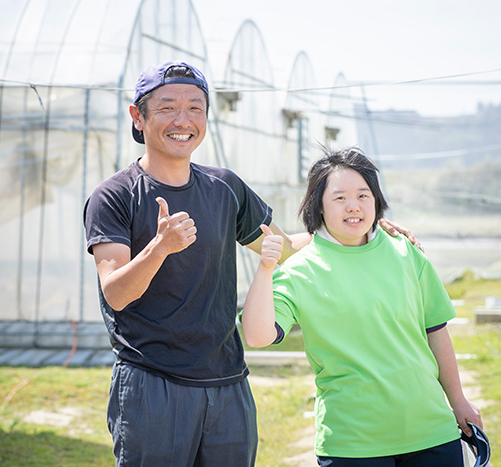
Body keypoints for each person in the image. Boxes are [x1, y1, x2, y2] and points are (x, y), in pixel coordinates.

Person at [83, 61, 419, 466]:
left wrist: (359, 225)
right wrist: (160, 247)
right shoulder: (115, 196)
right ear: (138, 116)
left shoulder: (225, 186)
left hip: (227, 383)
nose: (183, 120)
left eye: (195, 108)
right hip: (153, 383)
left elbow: (280, 245)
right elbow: (116, 294)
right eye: (167, 107)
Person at [241, 146, 482, 466]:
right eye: (339, 198)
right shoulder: (299, 270)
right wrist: (266, 268)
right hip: (351, 443)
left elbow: (436, 331)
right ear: (320, 206)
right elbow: (257, 336)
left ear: (376, 200)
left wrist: (459, 401)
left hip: (432, 432)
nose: (353, 206)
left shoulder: (405, 252)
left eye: (363, 195)